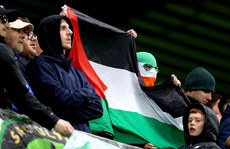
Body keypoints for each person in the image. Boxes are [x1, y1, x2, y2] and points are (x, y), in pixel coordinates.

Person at [0, 5, 73, 137]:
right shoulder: (5, 53)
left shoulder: (14, 58)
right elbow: (21, 97)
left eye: (27, 32)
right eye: (18, 30)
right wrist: (54, 120)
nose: (26, 36)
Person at [26, 15, 103, 133]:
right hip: (53, 139)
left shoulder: (77, 73)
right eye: (63, 28)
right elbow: (59, 98)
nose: (70, 32)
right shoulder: (40, 65)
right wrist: (87, 94)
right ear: (50, 33)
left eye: (69, 28)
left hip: (81, 141)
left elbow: (98, 109)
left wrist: (64, 109)